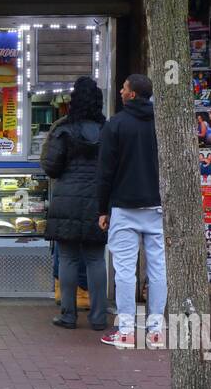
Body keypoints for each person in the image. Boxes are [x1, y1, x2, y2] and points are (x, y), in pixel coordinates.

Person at [97, 74, 166, 348]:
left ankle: (125, 330)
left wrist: (102, 208)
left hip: (124, 206)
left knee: (124, 269)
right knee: (158, 267)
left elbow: (105, 171)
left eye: (124, 88)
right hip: (158, 205)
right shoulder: (163, 124)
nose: (121, 91)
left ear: (132, 94)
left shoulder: (115, 124)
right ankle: (155, 330)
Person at [41, 76, 109, 331]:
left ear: (73, 101)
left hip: (66, 200)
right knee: (95, 259)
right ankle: (99, 317)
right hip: (98, 200)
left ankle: (68, 316)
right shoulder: (108, 129)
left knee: (68, 258)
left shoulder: (63, 129)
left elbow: (51, 166)